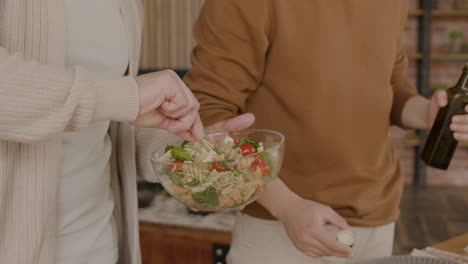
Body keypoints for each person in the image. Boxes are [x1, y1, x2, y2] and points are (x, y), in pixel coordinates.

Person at [183, 0, 468, 263]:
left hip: (377, 214)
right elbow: (208, 113)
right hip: (279, 223)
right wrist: (287, 207)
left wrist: (426, 112)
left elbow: (390, 85)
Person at [0, 0, 203, 263]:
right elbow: (115, 98)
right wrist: (128, 96)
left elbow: (109, 114)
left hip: (98, 242)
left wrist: (187, 154)